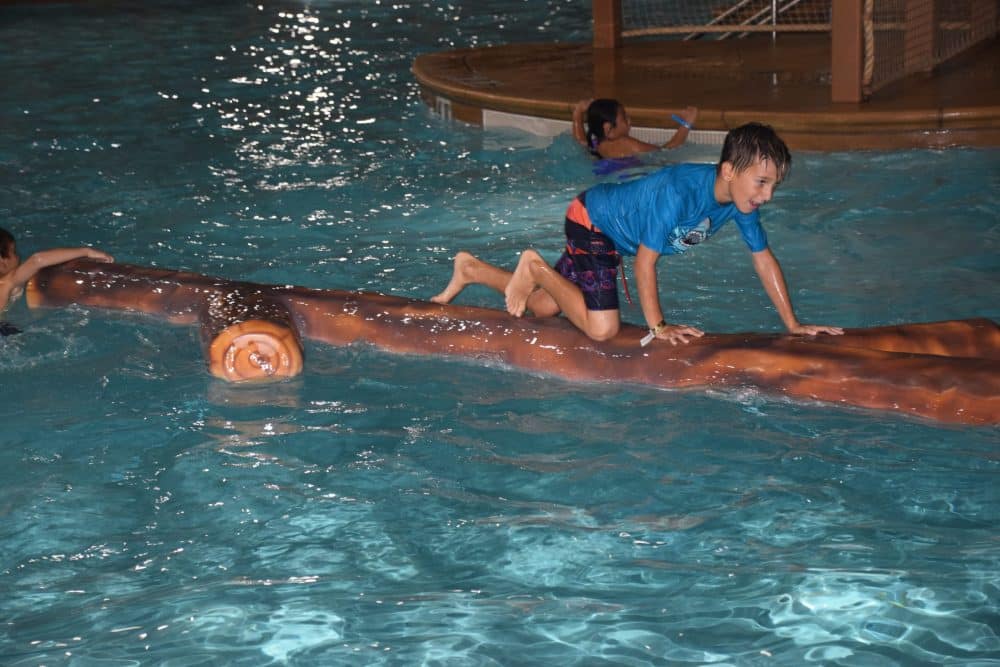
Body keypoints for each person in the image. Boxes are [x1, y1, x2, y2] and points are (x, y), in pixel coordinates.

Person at [432, 122, 843, 346]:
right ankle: (535, 267)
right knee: (603, 330)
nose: (766, 196)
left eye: (773, 186)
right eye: (762, 182)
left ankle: (471, 270)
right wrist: (659, 327)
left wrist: (792, 324)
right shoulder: (679, 192)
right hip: (593, 222)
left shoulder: (740, 203)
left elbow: (762, 258)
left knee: (543, 308)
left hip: (603, 224)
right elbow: (647, 263)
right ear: (730, 171)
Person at [0, 227, 113, 314]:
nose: (18, 256)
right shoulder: (8, 282)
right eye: (14, 252)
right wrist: (86, 251)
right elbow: (37, 260)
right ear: (2, 262)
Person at [572, 98, 699, 159]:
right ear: (608, 129)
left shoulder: (596, 144)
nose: (629, 120)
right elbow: (667, 150)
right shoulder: (626, 144)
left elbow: (580, 140)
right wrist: (687, 123)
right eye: (624, 118)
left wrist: (578, 113)